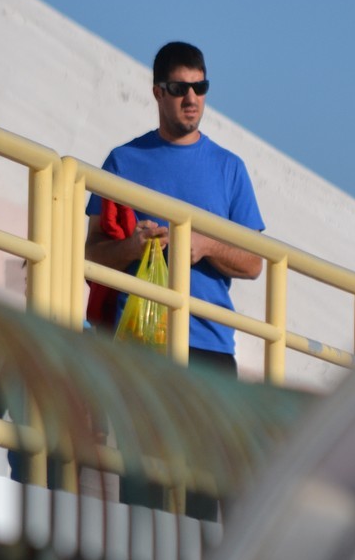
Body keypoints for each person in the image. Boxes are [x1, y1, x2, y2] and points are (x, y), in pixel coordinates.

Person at [86, 41, 264, 518]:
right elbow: (90, 254)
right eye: (180, 88)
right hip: (141, 346)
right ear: (157, 92)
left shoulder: (229, 169)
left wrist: (205, 245)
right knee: (143, 494)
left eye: (200, 87)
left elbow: (254, 263)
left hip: (209, 345)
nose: (192, 98)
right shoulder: (123, 162)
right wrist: (132, 247)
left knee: (203, 499)